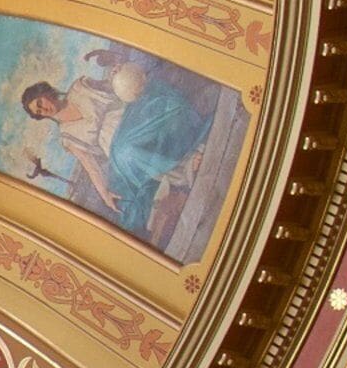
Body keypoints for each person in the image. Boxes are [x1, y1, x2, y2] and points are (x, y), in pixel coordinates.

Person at [19, 45, 212, 242]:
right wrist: (104, 194)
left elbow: (114, 84)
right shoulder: (66, 137)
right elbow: (90, 165)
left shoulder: (79, 87)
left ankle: (184, 166)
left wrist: (114, 66)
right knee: (126, 165)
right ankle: (182, 170)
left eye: (40, 103)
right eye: (39, 112)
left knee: (127, 150)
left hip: (132, 115)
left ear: (44, 92)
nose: (44, 109)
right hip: (117, 150)